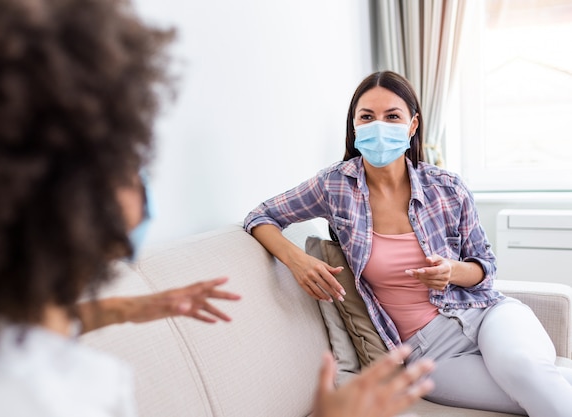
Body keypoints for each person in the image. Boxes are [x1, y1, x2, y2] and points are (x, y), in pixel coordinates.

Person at [0, 0, 433, 415]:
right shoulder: (69, 394)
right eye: (132, 156)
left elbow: (29, 332)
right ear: (77, 194)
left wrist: (126, 308)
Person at [244, 70, 572, 416]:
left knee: (525, 372)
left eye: (392, 116)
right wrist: (297, 260)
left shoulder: (447, 187)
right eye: (367, 117)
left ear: (412, 125)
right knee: (534, 394)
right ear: (354, 126)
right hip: (428, 355)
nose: (379, 126)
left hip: (487, 316)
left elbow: (484, 268)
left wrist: (451, 271)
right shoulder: (335, 186)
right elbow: (260, 216)